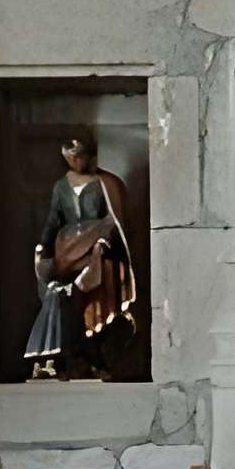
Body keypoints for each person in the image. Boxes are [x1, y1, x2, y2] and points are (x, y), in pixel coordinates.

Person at [23, 135, 139, 380]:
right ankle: (71, 357)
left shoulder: (105, 183)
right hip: (67, 251)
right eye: (70, 157)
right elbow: (53, 220)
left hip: (98, 252)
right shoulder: (61, 186)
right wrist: (43, 247)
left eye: (79, 156)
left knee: (93, 306)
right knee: (63, 300)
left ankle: (96, 358)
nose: (75, 161)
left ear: (89, 156)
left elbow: (114, 220)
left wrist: (102, 242)